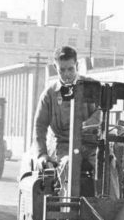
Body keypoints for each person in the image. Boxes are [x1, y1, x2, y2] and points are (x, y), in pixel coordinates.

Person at [33, 46, 117, 194]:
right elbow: (39, 127)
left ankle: (111, 209)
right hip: (64, 146)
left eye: (70, 69)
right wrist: (42, 155)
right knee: (68, 164)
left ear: (77, 65)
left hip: (91, 144)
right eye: (62, 70)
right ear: (55, 68)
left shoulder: (93, 88)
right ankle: (66, 208)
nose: (66, 74)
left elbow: (101, 111)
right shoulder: (49, 95)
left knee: (107, 162)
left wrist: (87, 125)